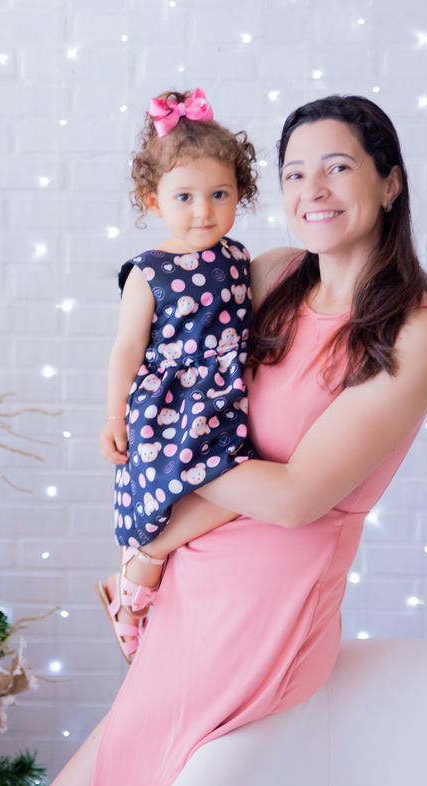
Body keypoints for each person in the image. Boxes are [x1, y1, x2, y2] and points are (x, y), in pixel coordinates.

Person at [44, 94, 427, 786]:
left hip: (268, 604)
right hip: (188, 581)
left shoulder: (414, 332)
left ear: (390, 184)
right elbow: (160, 352)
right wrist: (153, 548)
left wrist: (161, 457)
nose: (312, 191)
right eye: (294, 174)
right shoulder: (267, 275)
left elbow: (296, 498)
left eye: (337, 168)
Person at [96, 88, 260, 663]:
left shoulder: (240, 259)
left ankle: (139, 587)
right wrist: (114, 415)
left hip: (226, 398)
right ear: (152, 199)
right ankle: (135, 587)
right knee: (164, 497)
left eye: (220, 194)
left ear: (241, 193)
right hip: (169, 409)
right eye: (184, 196)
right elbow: (126, 349)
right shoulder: (150, 273)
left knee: (244, 491)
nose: (204, 211)